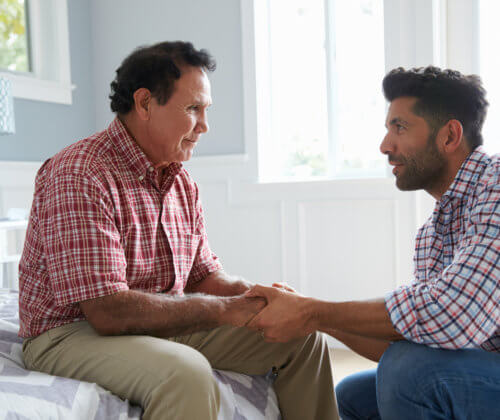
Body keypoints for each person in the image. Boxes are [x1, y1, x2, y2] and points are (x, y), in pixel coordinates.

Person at [18, 41, 339, 420]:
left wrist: (257, 297)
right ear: (144, 103)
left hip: (155, 322)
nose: (205, 125)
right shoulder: (80, 173)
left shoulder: (180, 180)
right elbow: (106, 312)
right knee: (185, 374)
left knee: (301, 337)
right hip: (70, 333)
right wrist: (225, 310)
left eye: (206, 109)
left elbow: (202, 275)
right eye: (192, 109)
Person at [247, 66, 500, 419]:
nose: (385, 146)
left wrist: (313, 309)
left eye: (400, 127)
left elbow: (453, 312)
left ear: (449, 136)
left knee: (410, 373)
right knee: (354, 395)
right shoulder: (433, 232)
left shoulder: (496, 186)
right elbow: (416, 337)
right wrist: (309, 316)